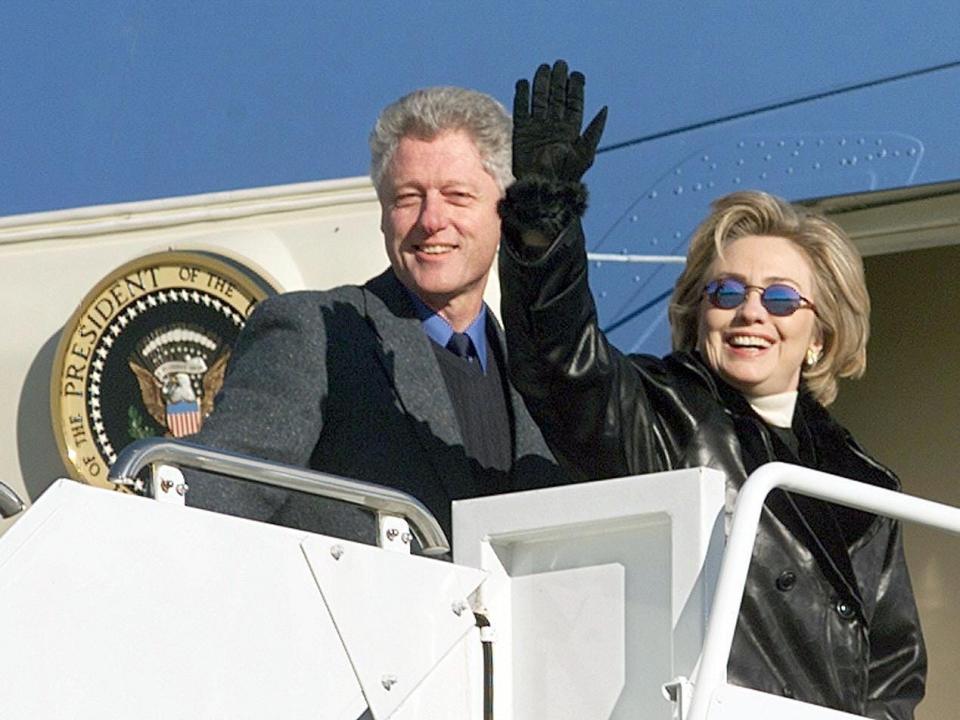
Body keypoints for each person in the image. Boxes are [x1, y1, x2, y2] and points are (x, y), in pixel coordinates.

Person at [497, 61, 926, 718]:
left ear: (820, 334)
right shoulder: (659, 412)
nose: (751, 312)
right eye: (727, 293)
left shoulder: (865, 489)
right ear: (698, 314)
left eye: (781, 298)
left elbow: (893, 678)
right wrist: (542, 216)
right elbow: (562, 368)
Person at [186, 85, 564, 546]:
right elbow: (204, 509)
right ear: (384, 214)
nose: (431, 220)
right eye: (408, 198)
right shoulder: (314, 335)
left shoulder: (543, 380)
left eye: (457, 195)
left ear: (504, 212)